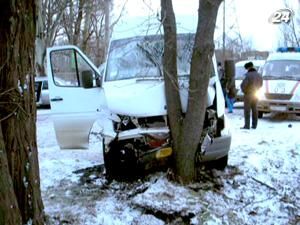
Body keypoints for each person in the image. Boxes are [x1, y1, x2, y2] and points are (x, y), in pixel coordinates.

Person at [240, 61, 263, 129]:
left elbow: (243, 85)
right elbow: (261, 84)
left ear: (248, 68)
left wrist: (245, 91)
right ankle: (254, 125)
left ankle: (247, 125)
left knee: (247, 110)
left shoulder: (247, 75)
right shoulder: (259, 75)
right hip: (256, 94)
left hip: (248, 94)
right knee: (255, 110)